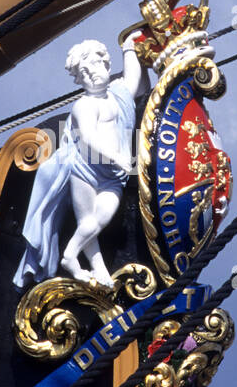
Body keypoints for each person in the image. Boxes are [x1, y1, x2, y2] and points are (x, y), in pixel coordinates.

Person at [14, 35, 143, 289]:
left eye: (94, 66)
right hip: (86, 169)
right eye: (83, 73)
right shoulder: (84, 105)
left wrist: (129, 47)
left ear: (106, 64)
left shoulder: (117, 95)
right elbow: (88, 137)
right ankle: (89, 265)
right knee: (88, 223)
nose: (90, 75)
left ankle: (73, 255)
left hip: (114, 176)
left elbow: (133, 79)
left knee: (102, 216)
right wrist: (116, 156)